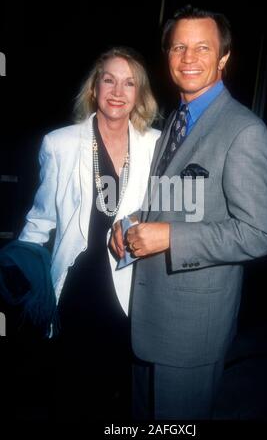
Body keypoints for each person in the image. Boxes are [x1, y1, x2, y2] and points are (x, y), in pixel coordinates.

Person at [112, 6, 267, 420]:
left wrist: (171, 238)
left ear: (223, 58)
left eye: (202, 47)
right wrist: (131, 222)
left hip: (191, 335)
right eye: (179, 47)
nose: (189, 58)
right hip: (147, 321)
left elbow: (260, 233)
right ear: (167, 55)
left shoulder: (244, 131)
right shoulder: (176, 120)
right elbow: (169, 200)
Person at [18, 46, 160, 421]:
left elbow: (166, 212)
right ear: (95, 87)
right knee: (74, 394)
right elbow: (41, 219)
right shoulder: (59, 144)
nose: (117, 91)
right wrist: (20, 276)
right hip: (77, 289)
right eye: (109, 79)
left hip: (133, 289)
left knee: (123, 399)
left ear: (139, 93)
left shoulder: (156, 145)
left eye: (129, 83)